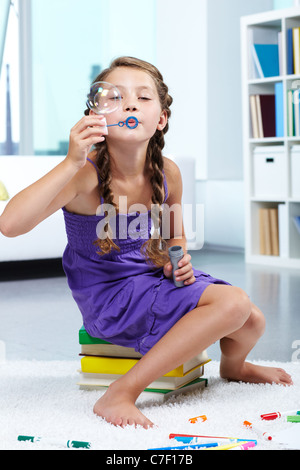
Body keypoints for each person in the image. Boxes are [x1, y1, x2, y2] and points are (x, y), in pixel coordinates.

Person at [0, 57, 292, 429]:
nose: (131, 104)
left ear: (161, 119)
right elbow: (9, 225)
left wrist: (177, 257)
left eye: (142, 97)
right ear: (96, 115)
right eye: (117, 97)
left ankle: (233, 367)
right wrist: (70, 161)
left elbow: (176, 235)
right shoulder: (84, 177)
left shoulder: (168, 172)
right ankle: (121, 392)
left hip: (153, 281)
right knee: (234, 303)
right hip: (110, 298)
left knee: (252, 320)